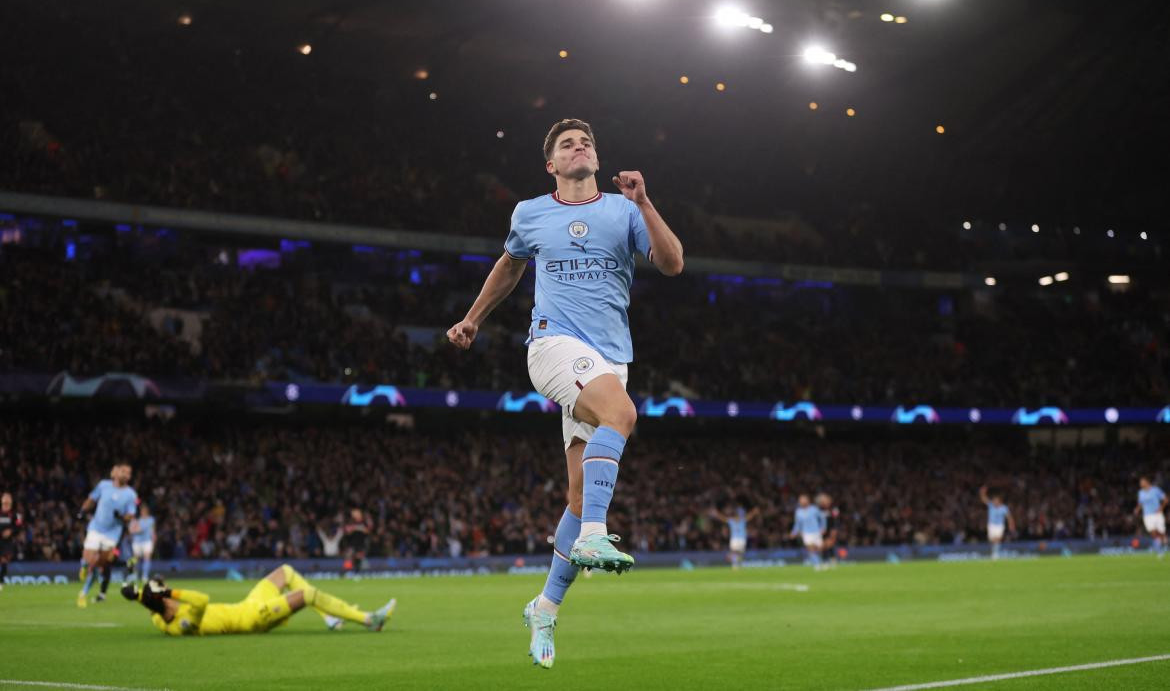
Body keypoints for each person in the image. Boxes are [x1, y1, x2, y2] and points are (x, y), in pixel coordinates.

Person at [446, 118, 684, 669]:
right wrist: (472, 319)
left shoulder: (624, 211)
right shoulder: (530, 213)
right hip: (552, 345)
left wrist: (646, 202)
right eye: (566, 145)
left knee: (578, 498)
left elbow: (672, 263)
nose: (579, 147)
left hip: (610, 357)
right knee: (621, 414)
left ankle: (545, 606)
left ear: (596, 160)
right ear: (551, 165)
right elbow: (509, 266)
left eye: (587, 142)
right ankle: (597, 535)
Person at [121, 564, 395, 636]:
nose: (170, 590)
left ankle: (331, 618)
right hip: (254, 618)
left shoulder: (159, 618)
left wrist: (135, 595)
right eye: (166, 592)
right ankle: (370, 620)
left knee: (285, 572)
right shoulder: (182, 623)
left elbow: (153, 608)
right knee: (308, 595)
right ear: (165, 600)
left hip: (246, 606)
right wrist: (168, 592)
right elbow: (202, 600)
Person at [77, 463, 138, 607]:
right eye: (124, 471)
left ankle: (85, 591)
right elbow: (92, 499)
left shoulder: (131, 494)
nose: (126, 475)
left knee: (102, 564)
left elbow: (131, 515)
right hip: (96, 528)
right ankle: (85, 565)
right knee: (89, 556)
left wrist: (122, 517)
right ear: (116, 473)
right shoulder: (104, 485)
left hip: (113, 534)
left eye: (129, 473)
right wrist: (82, 510)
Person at [709, 503, 759, 569]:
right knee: (735, 553)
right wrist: (717, 514)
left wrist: (754, 512)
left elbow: (750, 516)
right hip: (736, 539)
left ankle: (735, 564)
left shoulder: (741, 520)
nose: (739, 516)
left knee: (738, 553)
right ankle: (734, 565)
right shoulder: (734, 521)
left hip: (740, 539)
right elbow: (723, 518)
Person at [1134, 477, 1168, 557]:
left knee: (1161, 533)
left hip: (1157, 514)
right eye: (1140, 483)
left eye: (1142, 482)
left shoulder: (1156, 490)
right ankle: (1160, 550)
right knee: (1153, 532)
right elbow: (1140, 503)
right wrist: (1137, 509)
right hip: (1147, 515)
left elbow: (1166, 499)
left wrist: (1161, 508)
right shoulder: (1140, 493)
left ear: (1147, 482)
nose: (1141, 484)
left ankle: (1164, 543)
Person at [979, 485, 1015, 560]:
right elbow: (984, 499)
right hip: (991, 525)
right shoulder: (991, 505)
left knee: (998, 539)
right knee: (991, 540)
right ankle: (994, 551)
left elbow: (1009, 517)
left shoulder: (1004, 508)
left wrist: (1011, 524)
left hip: (1000, 526)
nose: (994, 501)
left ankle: (995, 554)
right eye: (993, 500)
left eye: (996, 500)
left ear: (999, 501)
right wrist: (982, 492)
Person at [790, 494, 825, 567]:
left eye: (803, 500)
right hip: (806, 533)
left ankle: (819, 562)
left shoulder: (814, 509)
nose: (801, 502)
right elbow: (797, 523)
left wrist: (823, 527)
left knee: (819, 549)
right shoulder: (798, 512)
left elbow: (822, 518)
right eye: (800, 501)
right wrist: (794, 532)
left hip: (816, 531)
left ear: (807, 501)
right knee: (810, 549)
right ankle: (817, 565)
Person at [129, 503, 157, 583]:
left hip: (147, 541)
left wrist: (154, 539)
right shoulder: (137, 520)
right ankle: (134, 575)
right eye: (142, 510)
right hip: (137, 541)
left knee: (147, 557)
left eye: (145, 510)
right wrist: (137, 530)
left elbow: (152, 531)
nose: (143, 512)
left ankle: (145, 576)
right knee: (135, 559)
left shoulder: (151, 520)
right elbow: (132, 530)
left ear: (147, 511)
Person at [0, 492, 22, 591]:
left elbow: (19, 526)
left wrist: (11, 531)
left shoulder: (16, 514)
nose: (6, 499)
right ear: (1, 500)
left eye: (9, 497)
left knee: (4, 561)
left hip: (7, 543)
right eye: (5, 497)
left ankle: (1, 581)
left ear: (11, 501)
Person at [816, 493, 840, 567]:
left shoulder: (834, 509)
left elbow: (836, 520)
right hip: (821, 530)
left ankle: (833, 561)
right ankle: (824, 561)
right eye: (823, 501)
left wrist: (834, 530)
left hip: (831, 529)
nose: (825, 502)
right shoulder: (818, 510)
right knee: (823, 546)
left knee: (830, 545)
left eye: (826, 500)